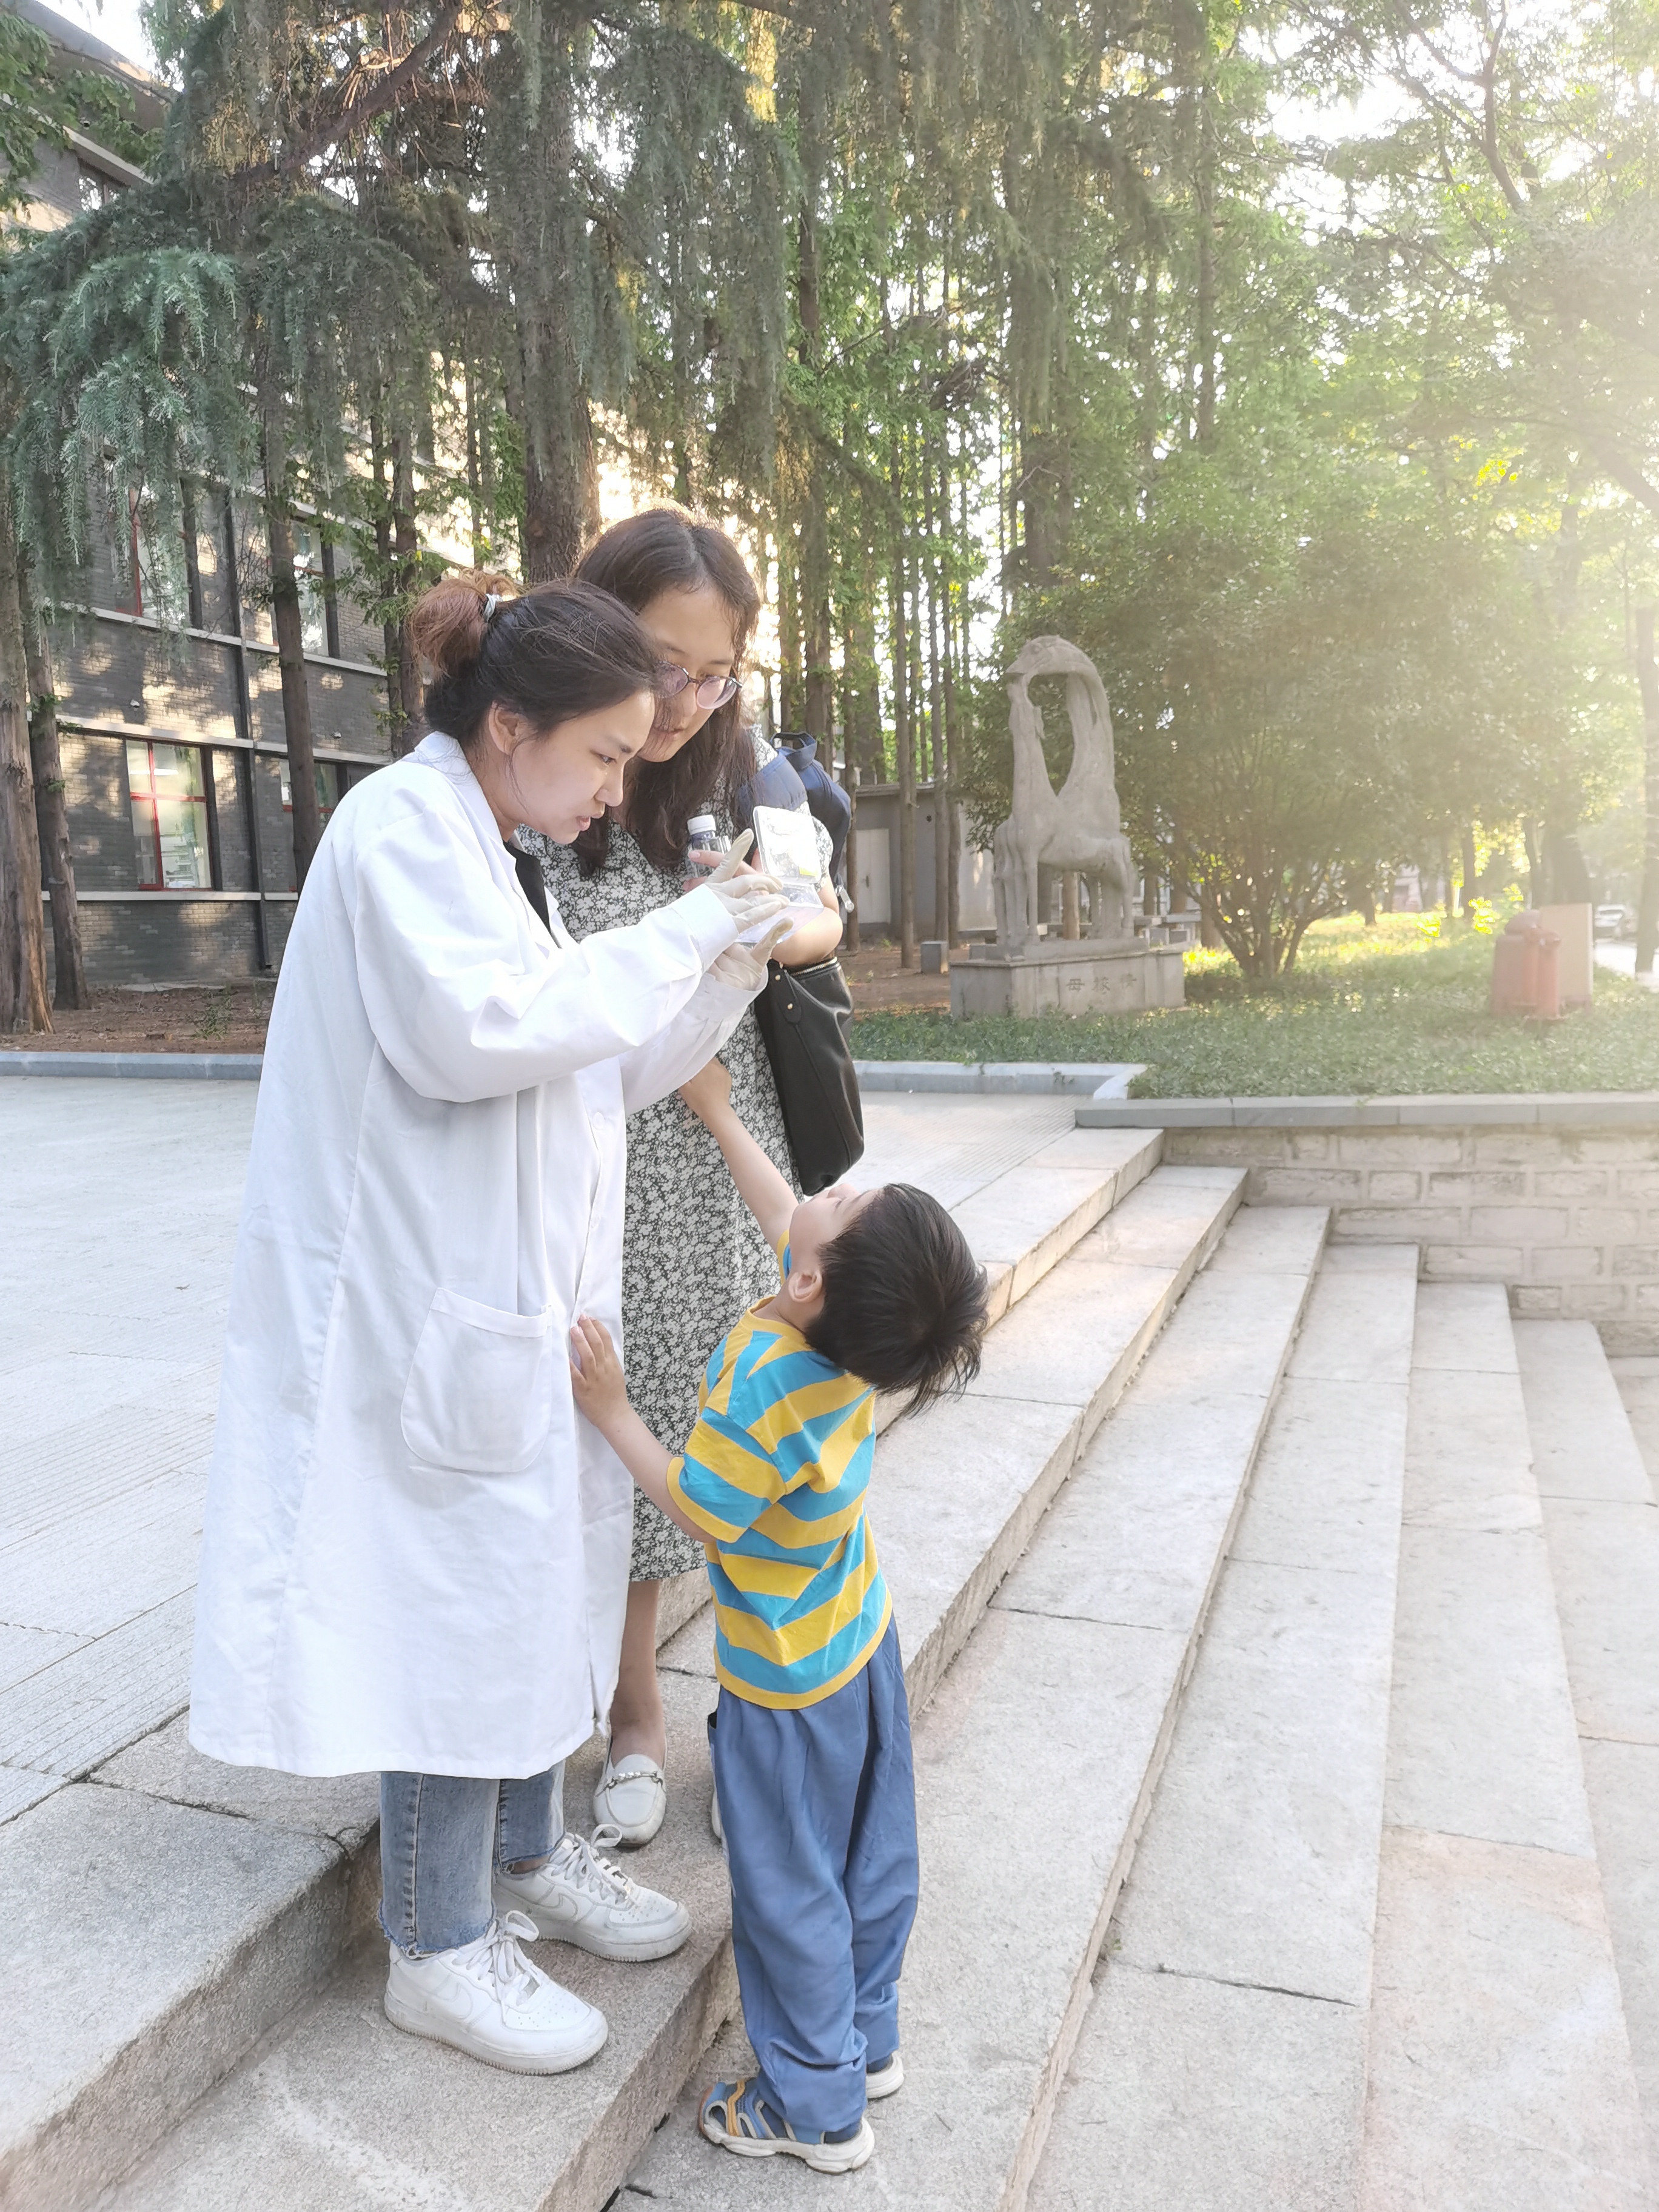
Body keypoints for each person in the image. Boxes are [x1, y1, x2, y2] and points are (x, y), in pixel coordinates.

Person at [189, 570, 789, 2077]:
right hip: (418, 1313)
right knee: (451, 1621)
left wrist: (727, 952)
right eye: (602, 757)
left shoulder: (504, 848)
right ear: (510, 725)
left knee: (526, 1592)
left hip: (507, 1307)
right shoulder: (400, 832)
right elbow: (483, 1034)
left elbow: (598, 1056)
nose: (612, 794)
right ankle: (439, 1943)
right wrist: (690, 925)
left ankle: (527, 1854)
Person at [569, 1056, 988, 2172]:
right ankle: (867, 2037)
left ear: (808, 1283)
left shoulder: (764, 1380)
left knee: (786, 1884)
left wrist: (613, 1411)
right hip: (861, 1644)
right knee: (871, 1854)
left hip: (785, 1692)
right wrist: (717, 1109)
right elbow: (790, 1221)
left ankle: (813, 2104)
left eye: (845, 1201)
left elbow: (699, 1507)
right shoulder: (850, 1342)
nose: (830, 1190)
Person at [532, 504, 844, 1849]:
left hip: (710, 1125)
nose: (681, 701)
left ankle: (723, 1710)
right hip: (581, 1135)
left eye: (714, 674)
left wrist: (777, 923)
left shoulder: (735, 764)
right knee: (610, 1399)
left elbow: (824, 914)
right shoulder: (543, 752)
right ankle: (619, 1709)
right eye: (663, 664)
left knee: (709, 1401)